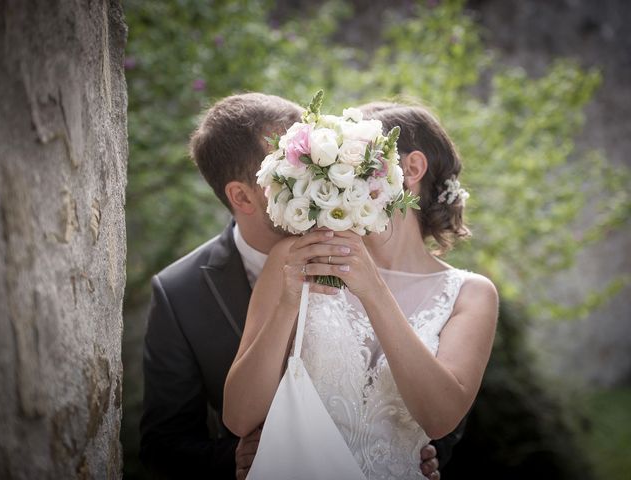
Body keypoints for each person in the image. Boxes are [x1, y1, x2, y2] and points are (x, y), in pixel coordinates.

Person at [139, 93, 450, 479]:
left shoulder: (363, 252)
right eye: (292, 166)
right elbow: (162, 444)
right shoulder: (179, 294)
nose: (317, 171)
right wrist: (233, 459)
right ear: (242, 195)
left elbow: (422, 379)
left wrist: (410, 453)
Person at [223, 103, 499, 479]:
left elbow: (440, 420)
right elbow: (239, 417)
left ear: (412, 170)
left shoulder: (472, 294)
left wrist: (373, 290)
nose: (338, 176)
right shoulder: (295, 257)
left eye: (358, 162)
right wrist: (288, 302)